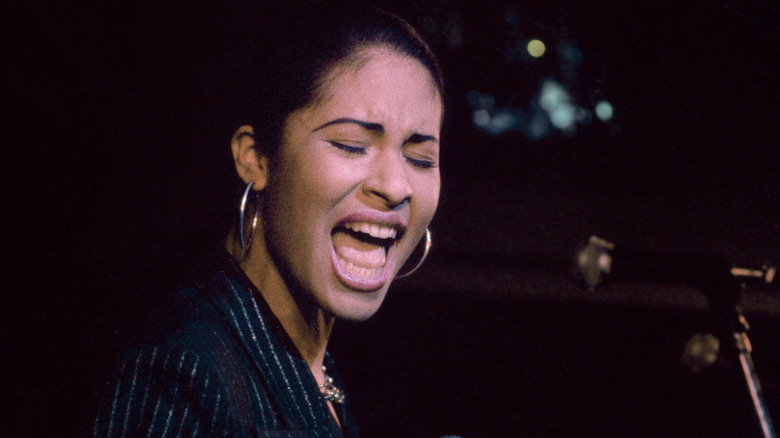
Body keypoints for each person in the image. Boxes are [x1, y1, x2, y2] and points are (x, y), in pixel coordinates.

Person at [91, 2, 444, 436]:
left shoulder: (311, 365)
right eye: (352, 145)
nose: (396, 185)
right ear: (256, 158)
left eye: (419, 157)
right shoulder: (183, 369)